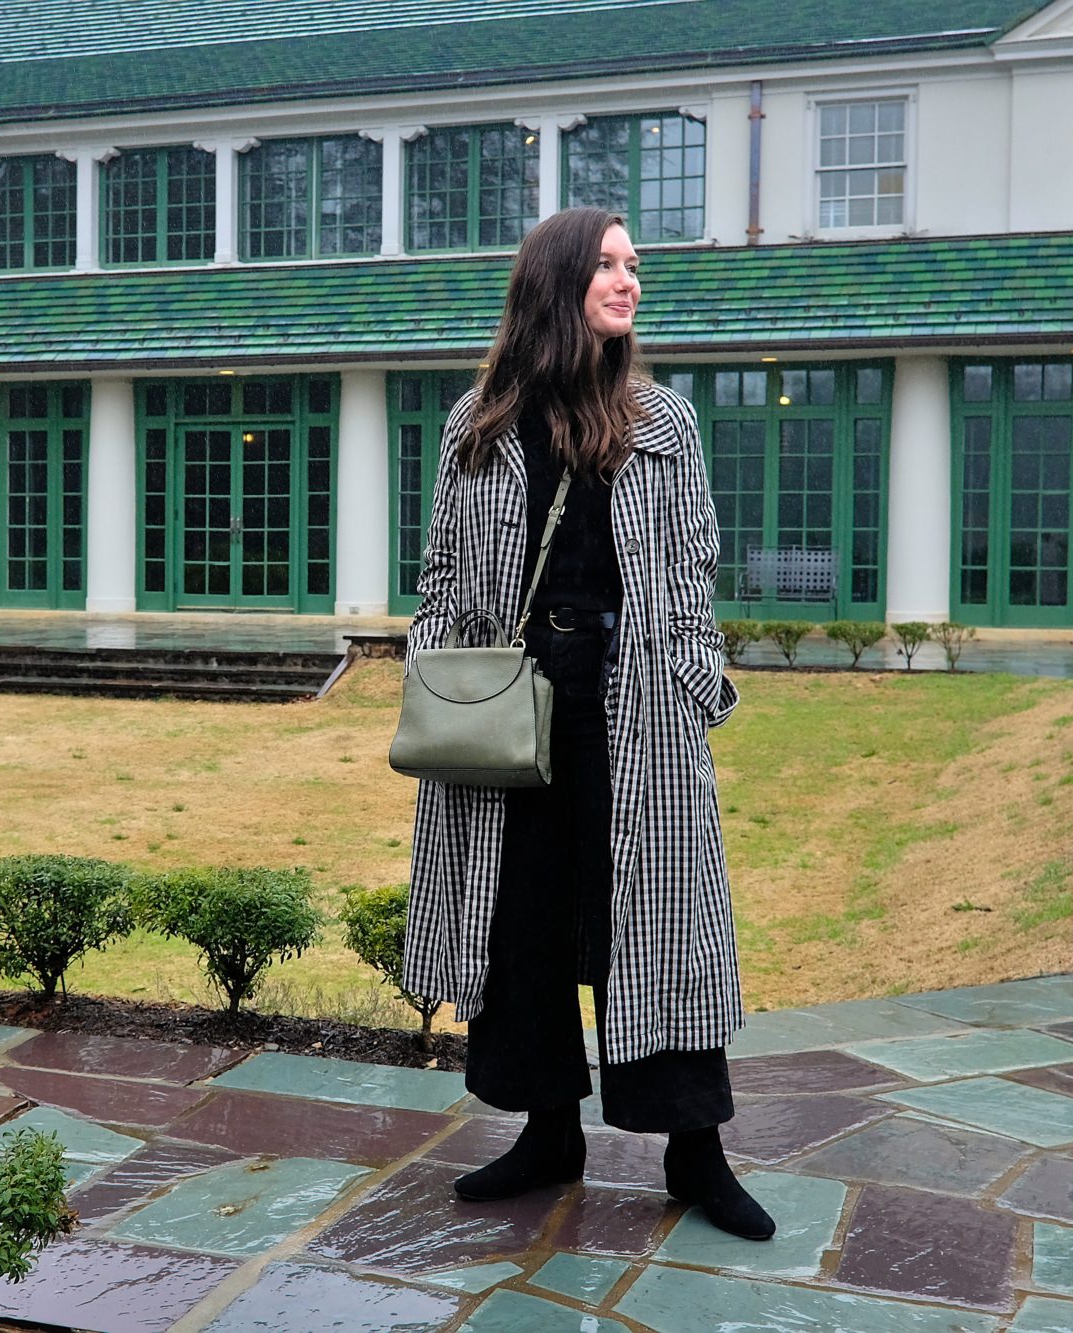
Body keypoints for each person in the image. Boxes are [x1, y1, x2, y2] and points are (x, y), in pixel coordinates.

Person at [402, 206, 772, 1241]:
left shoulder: (662, 421)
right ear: (555, 280)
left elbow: (693, 568)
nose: (628, 281)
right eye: (607, 264)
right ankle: (547, 1129)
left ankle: (693, 1149)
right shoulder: (477, 422)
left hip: (637, 696)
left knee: (653, 921)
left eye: (633, 265)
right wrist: (438, 656)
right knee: (519, 912)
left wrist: (694, 674)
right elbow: (438, 571)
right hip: (510, 697)